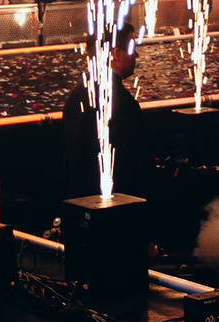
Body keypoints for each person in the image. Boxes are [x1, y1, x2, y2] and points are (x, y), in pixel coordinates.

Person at [60, 35, 151, 199]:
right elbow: (136, 164)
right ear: (116, 54)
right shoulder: (122, 102)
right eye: (131, 48)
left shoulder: (77, 95)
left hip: (80, 198)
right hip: (117, 206)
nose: (136, 55)